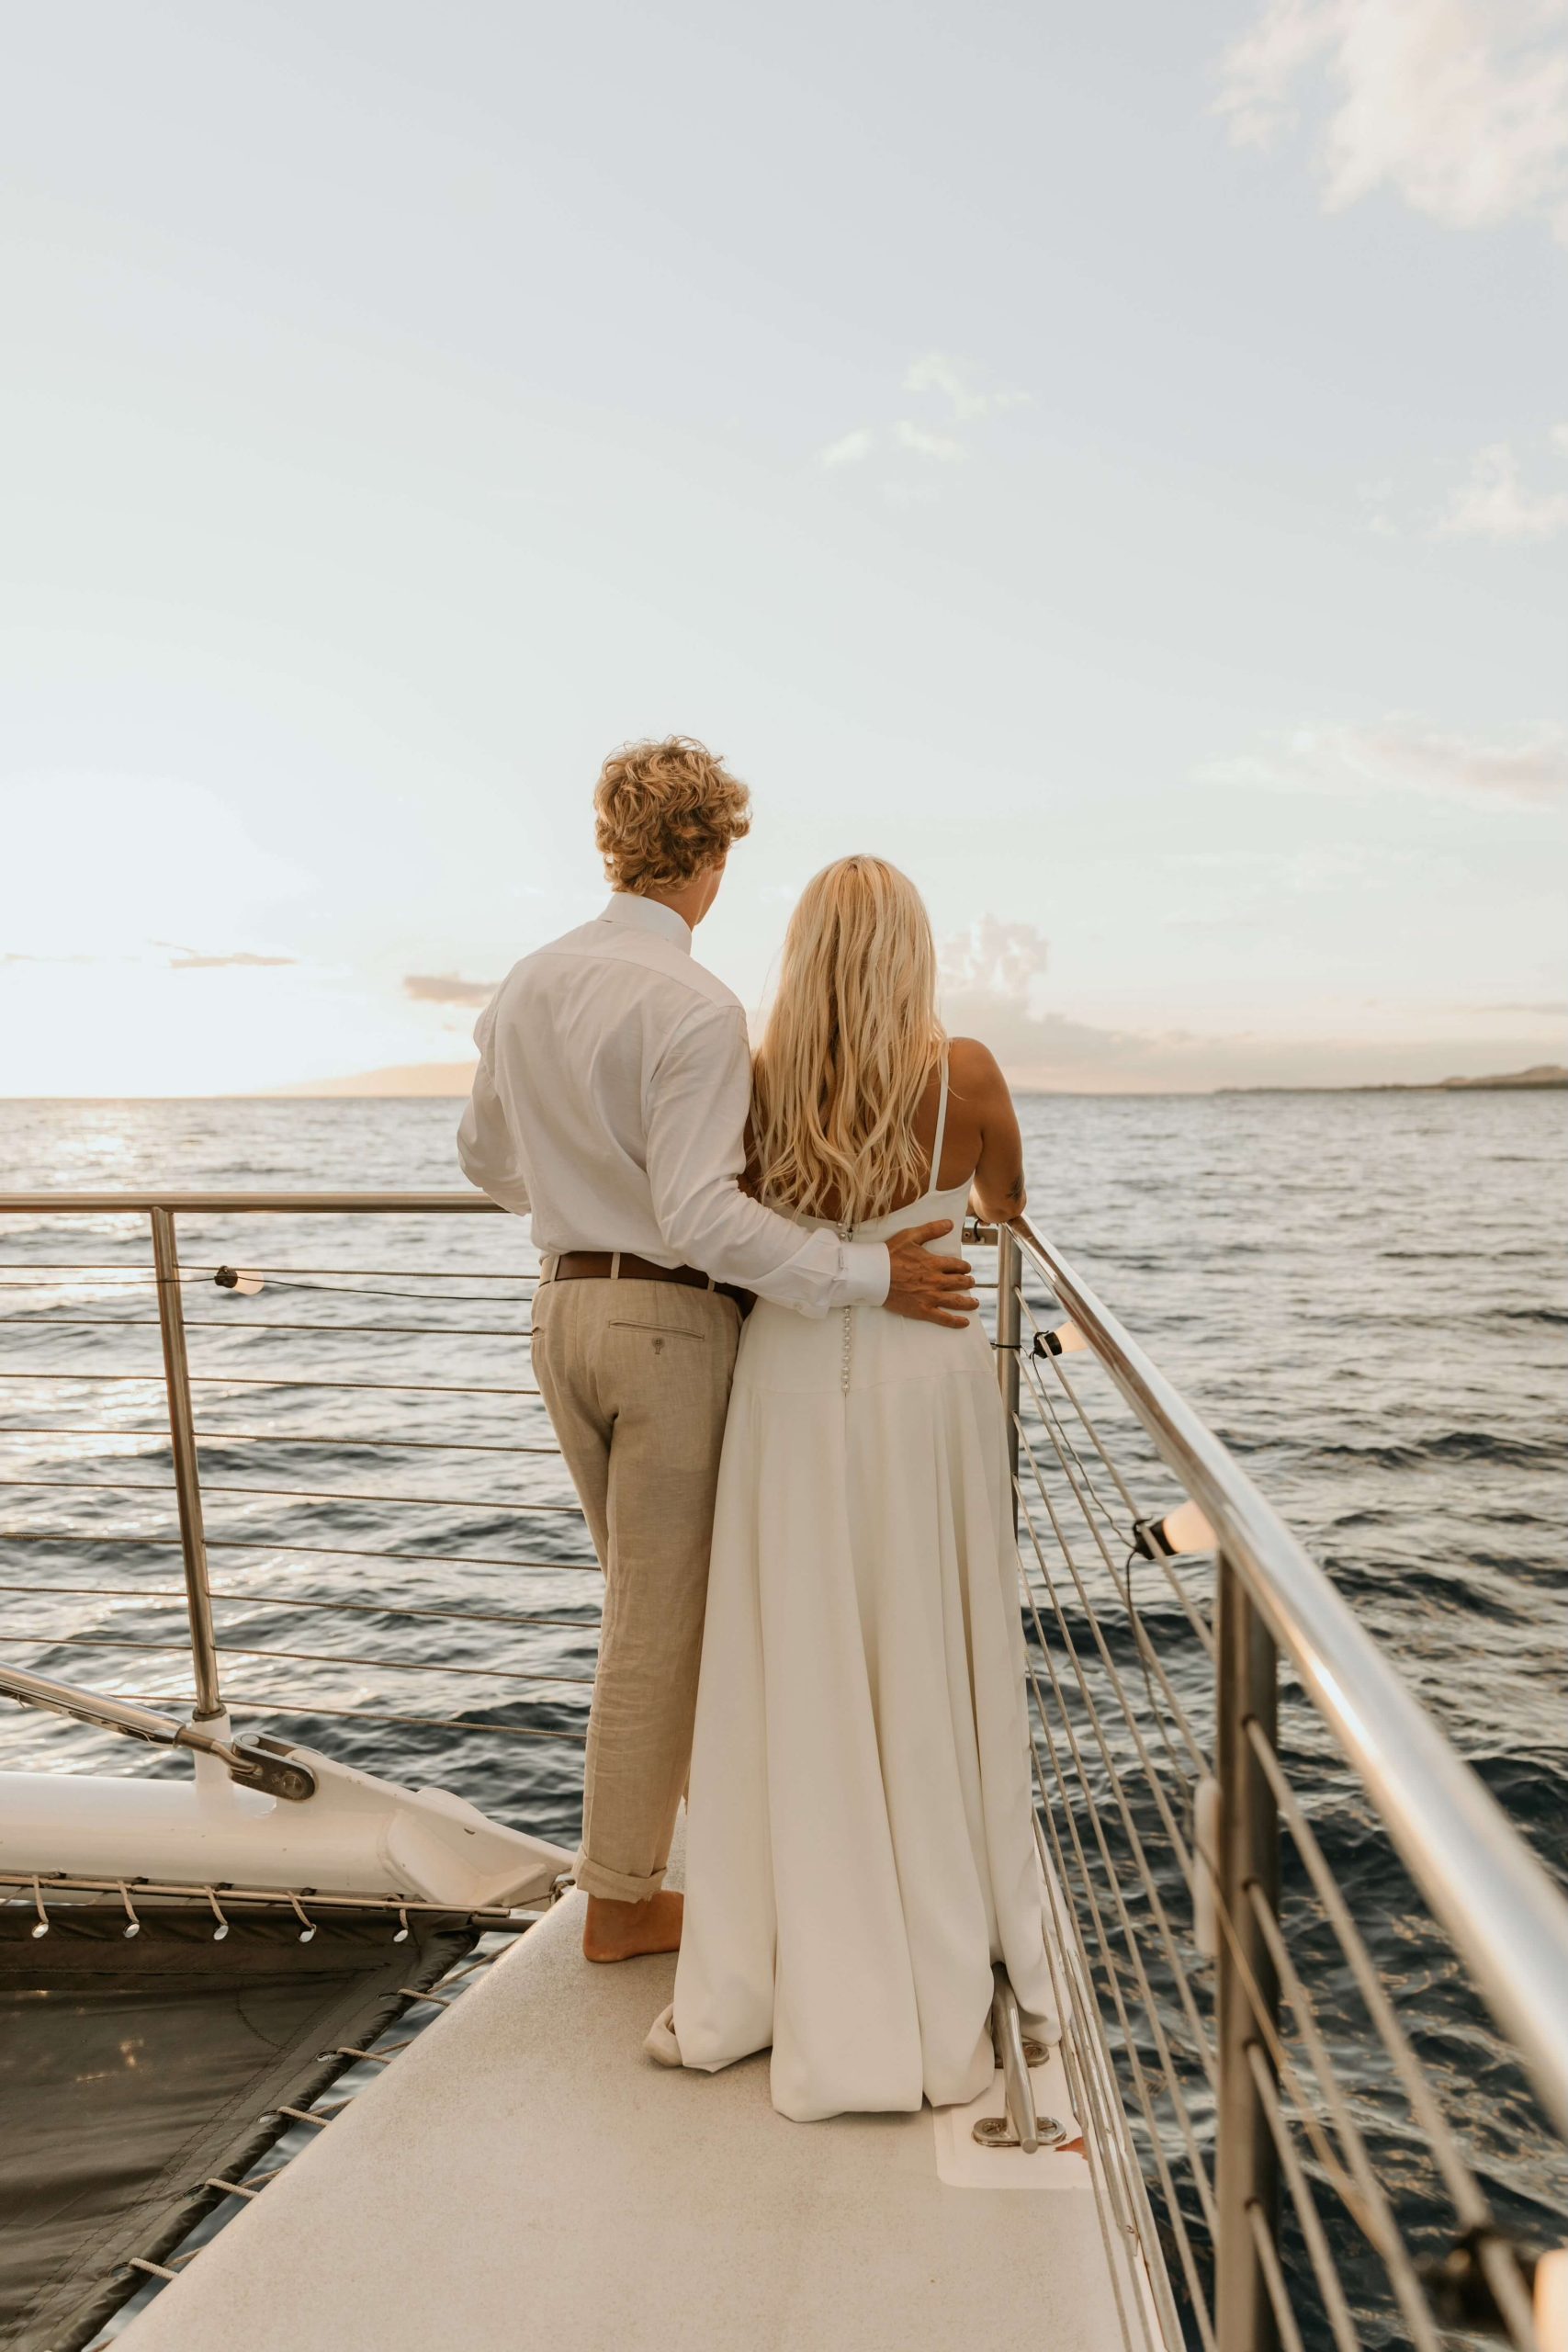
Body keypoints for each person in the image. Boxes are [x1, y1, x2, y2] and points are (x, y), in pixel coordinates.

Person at [457, 740, 977, 1965]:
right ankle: (625, 1903)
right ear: (713, 856)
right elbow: (700, 1217)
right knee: (658, 1624)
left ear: (616, 846)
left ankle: (686, 1842)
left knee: (644, 1603)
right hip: (662, 1329)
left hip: (561, 1318)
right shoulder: (695, 1006)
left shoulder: (528, 983)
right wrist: (872, 1275)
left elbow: (483, 1161)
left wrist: (585, 1191)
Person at [647, 855, 1058, 2120]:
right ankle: (948, 1919)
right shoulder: (969, 1072)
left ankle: (788, 1939)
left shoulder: (758, 1082)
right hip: (923, 1379)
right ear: (916, 954)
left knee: (801, 1650)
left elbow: (718, 1222)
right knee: (923, 1644)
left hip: (786, 1377)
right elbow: (1009, 1204)